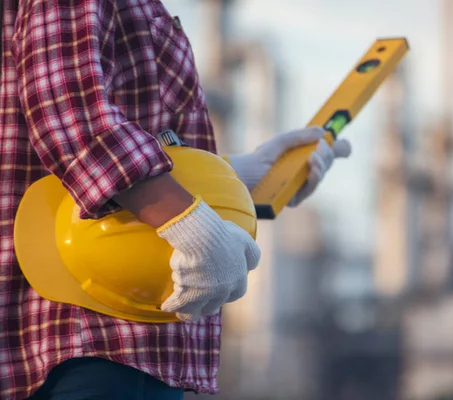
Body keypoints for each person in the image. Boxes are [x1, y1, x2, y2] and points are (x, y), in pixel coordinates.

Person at [0, 0, 352, 399]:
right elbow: (66, 109)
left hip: (109, 335)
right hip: (95, 332)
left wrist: (240, 177)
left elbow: (96, 133)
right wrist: (190, 225)